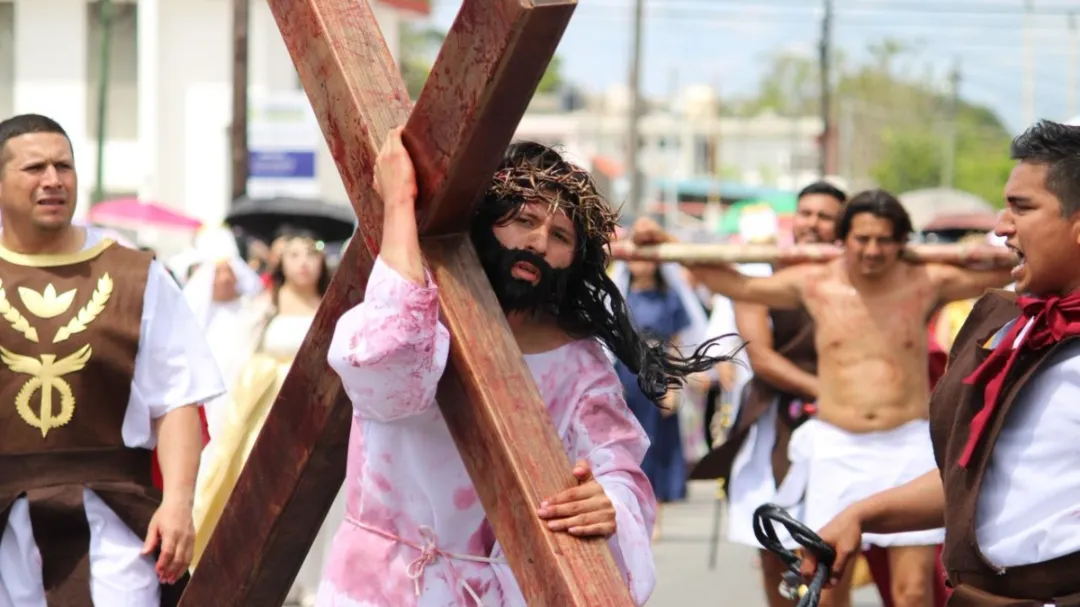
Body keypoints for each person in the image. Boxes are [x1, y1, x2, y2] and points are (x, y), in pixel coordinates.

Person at [317, 129, 735, 606]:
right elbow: (390, 368)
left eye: (560, 236)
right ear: (485, 222)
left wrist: (608, 502)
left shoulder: (580, 365)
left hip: (500, 591)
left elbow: (617, 470)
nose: (538, 243)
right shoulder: (411, 313)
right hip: (382, 584)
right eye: (523, 220)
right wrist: (399, 205)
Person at [633, 189, 1014, 607]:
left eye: (884, 240)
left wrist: (1000, 245)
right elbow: (738, 283)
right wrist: (669, 248)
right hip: (838, 445)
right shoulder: (816, 283)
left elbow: (1007, 273)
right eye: (861, 239)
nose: (871, 251)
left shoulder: (926, 281)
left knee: (913, 593)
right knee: (830, 586)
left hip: (908, 445)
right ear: (844, 239)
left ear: (902, 241)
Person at [801, 120, 1080, 606]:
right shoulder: (1014, 324)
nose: (1000, 225)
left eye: (1022, 207)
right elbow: (974, 475)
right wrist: (861, 514)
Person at [0, 113, 223, 605]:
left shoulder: (136, 276)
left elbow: (178, 400)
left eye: (64, 166)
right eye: (34, 168)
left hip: (112, 528)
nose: (53, 180)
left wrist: (179, 503)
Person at [693, 180, 845, 607]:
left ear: (841, 226)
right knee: (774, 550)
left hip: (841, 429)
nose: (813, 223)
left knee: (832, 556)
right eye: (807, 213)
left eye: (825, 216)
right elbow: (760, 356)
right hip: (775, 422)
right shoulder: (763, 272)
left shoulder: (857, 278)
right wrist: (826, 391)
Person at [191, 226, 334, 605]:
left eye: (311, 254)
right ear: (282, 262)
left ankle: (318, 584)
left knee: (323, 495)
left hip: (322, 416)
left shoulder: (335, 304)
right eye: (295, 255)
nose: (304, 264)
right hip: (270, 418)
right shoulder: (264, 306)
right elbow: (239, 362)